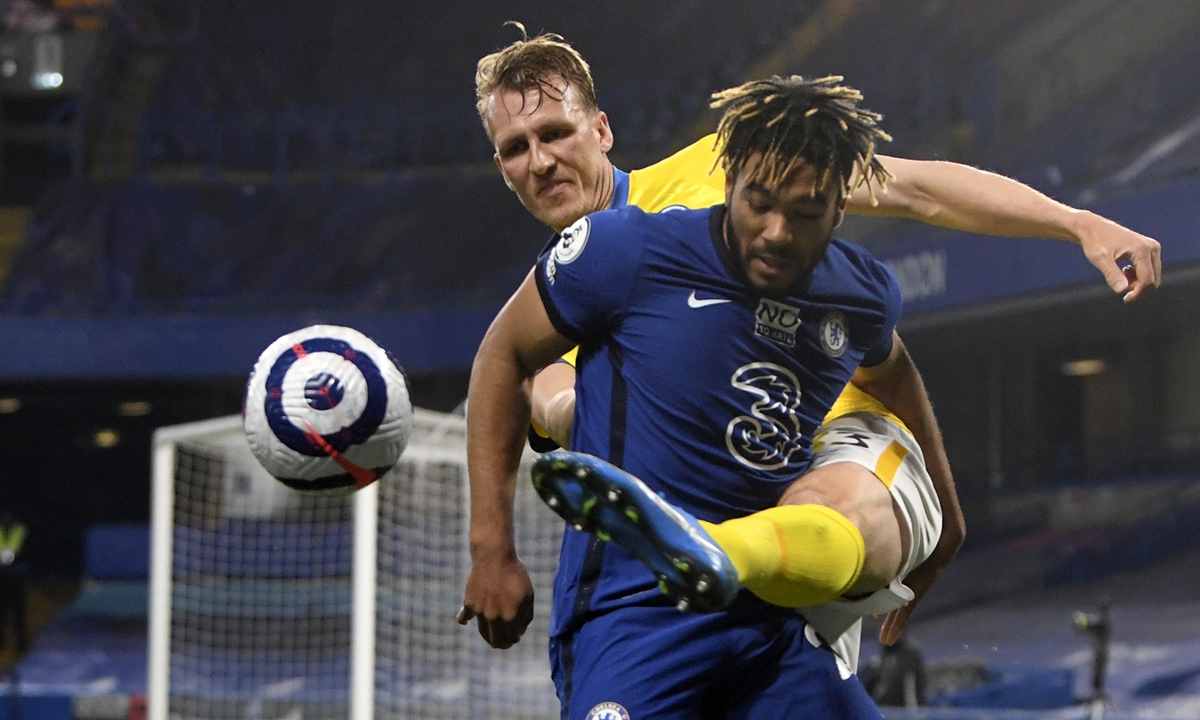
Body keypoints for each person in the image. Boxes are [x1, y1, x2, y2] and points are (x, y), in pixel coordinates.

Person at [457, 30, 1162, 666]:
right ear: (501, 167)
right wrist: (539, 456)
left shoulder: (723, 166)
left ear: (601, 129)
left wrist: (1075, 223)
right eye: (518, 149)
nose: (541, 160)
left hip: (841, 445)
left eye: (555, 133)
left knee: (825, 499)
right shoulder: (564, 303)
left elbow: (916, 189)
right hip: (722, 520)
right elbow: (541, 389)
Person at [466, 71, 946, 717]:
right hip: (632, 618)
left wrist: (947, 508)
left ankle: (730, 553)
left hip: (774, 622)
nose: (777, 231)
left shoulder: (859, 294)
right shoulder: (623, 251)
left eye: (804, 212)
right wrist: (492, 548)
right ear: (728, 183)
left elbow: (892, 373)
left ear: (841, 207)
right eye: (759, 202)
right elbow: (503, 355)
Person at [0, 510, 28, 654]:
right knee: (2, 611)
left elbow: (23, 552)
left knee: (18, 612)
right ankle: (3, 642)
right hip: (2, 577)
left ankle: (21, 644)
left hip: (15, 576)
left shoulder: (19, 531)